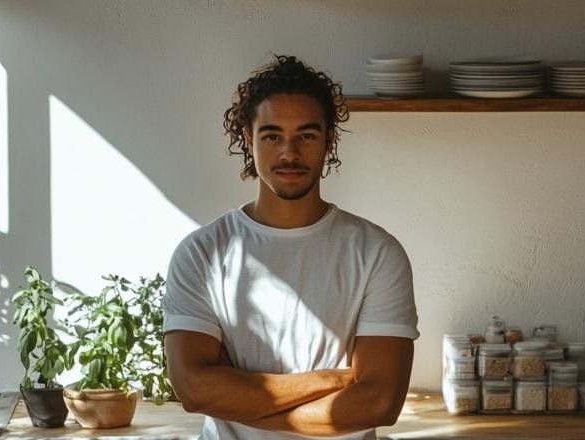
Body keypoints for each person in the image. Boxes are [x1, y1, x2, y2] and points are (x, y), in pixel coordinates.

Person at [163, 54, 419, 440]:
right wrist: (332, 381)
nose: (289, 153)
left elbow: (379, 403)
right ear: (248, 139)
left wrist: (238, 398)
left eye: (307, 135)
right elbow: (194, 389)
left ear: (329, 139)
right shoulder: (202, 253)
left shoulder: (378, 254)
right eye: (272, 136)